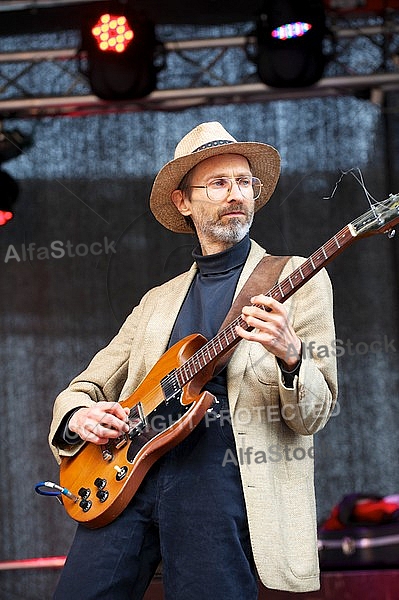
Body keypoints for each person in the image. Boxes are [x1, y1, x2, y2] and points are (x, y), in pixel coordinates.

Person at [49, 121, 338, 600]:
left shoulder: (296, 279)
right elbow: (85, 387)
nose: (236, 195)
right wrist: (79, 416)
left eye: (244, 182)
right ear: (184, 202)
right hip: (127, 473)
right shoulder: (156, 302)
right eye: (219, 184)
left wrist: (292, 357)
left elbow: (314, 413)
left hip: (219, 473)